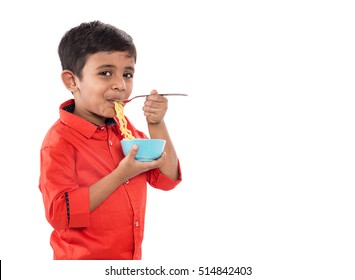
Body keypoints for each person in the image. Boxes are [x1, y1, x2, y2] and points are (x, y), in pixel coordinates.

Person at [38, 21, 182, 260]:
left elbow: (167, 179)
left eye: (128, 74)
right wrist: (121, 174)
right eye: (105, 73)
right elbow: (61, 215)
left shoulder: (125, 132)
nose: (121, 85)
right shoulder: (60, 141)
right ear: (72, 81)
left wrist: (156, 124)